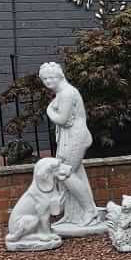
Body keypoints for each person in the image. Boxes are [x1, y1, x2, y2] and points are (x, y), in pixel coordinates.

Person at [41, 62, 105, 235]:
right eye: (44, 79)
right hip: (68, 137)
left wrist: (48, 110)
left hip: (75, 137)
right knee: (74, 174)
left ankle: (90, 211)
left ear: (60, 75)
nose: (48, 81)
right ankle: (73, 215)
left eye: (51, 77)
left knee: (64, 172)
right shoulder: (62, 94)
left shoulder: (68, 93)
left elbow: (62, 119)